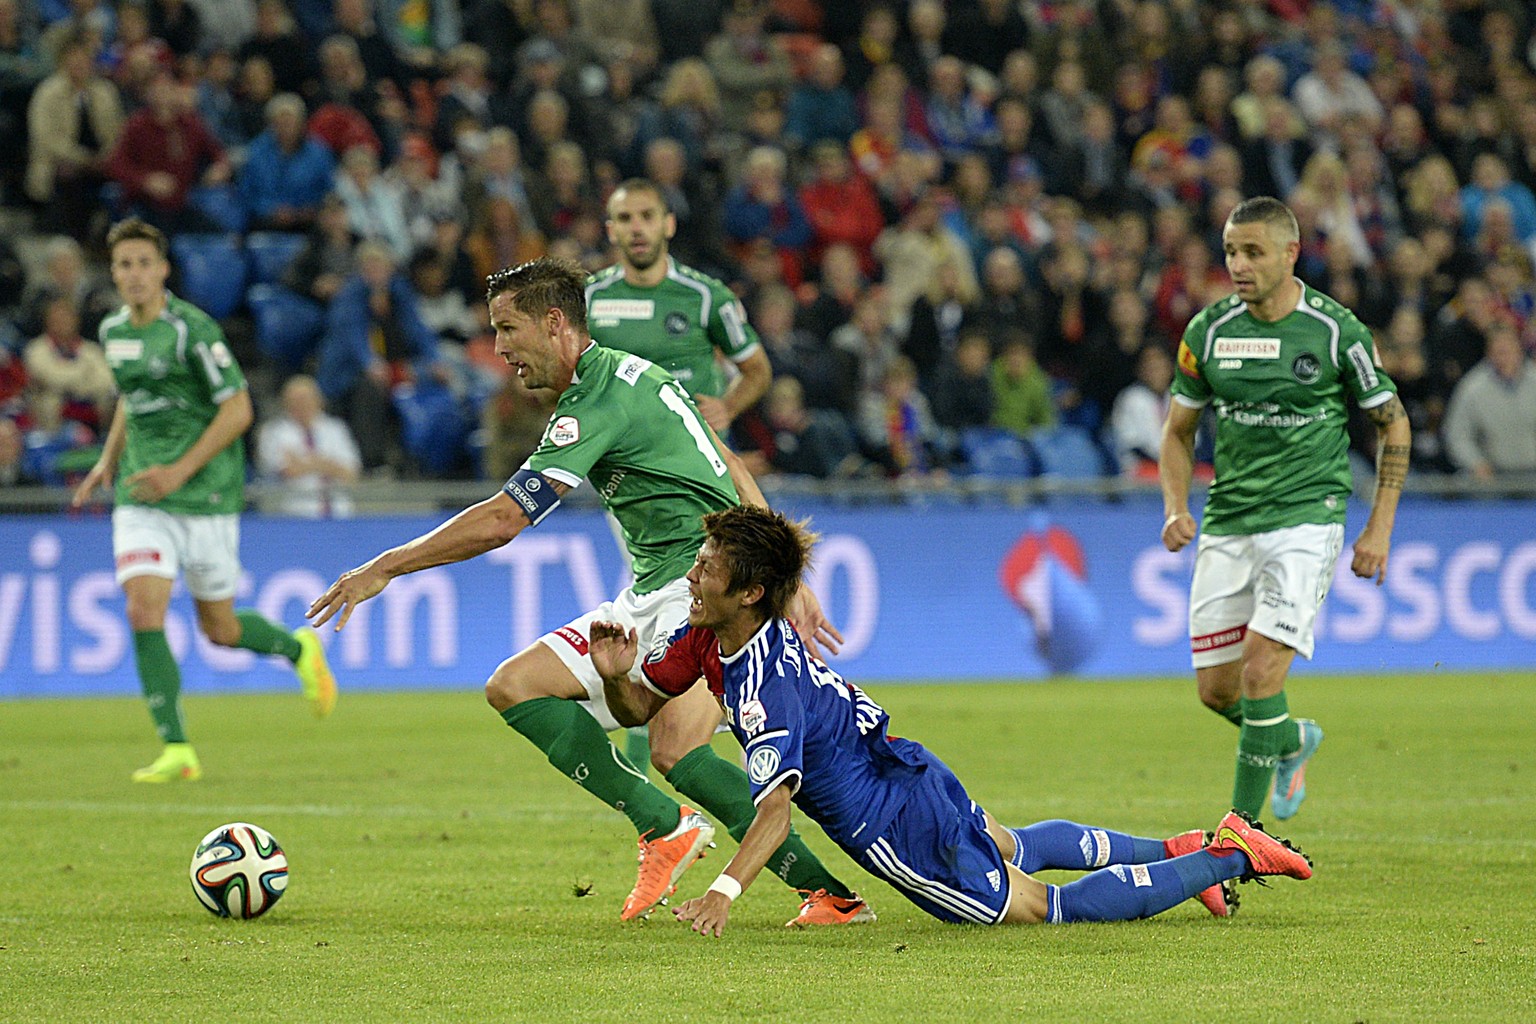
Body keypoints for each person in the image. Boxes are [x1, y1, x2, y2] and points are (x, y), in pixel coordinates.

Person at [307, 257, 870, 927]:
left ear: (555, 323)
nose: (500, 349)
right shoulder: (639, 374)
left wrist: (388, 566)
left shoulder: (595, 403)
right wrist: (781, 563)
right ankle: (665, 827)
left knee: (678, 752)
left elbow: (505, 519)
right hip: (654, 592)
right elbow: (725, 458)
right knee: (514, 686)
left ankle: (830, 895)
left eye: (508, 329)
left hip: (704, 596)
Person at [589, 504, 1314, 937]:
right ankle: (1182, 848)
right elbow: (640, 707)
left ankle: (1230, 854)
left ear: (749, 592)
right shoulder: (705, 638)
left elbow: (775, 814)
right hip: (909, 768)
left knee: (1042, 910)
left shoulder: (764, 684)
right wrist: (619, 679)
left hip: (894, 826)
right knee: (1016, 843)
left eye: (707, 569)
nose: (691, 576)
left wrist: (722, 894)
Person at [1159, 196, 1412, 823]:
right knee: (1215, 691)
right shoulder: (1208, 333)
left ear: (1291, 253)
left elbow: (1393, 422)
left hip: (1308, 515)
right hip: (1229, 518)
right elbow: (1177, 432)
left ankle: (1237, 842)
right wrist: (1173, 507)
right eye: (1230, 252)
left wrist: (1379, 525)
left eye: (1252, 252)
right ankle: (1291, 739)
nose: (1238, 265)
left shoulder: (1335, 331)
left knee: (1262, 668)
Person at [70, 218, 337, 784]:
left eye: (145, 262)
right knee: (144, 609)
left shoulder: (193, 330)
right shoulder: (114, 331)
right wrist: (107, 461)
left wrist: (181, 470)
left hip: (207, 492)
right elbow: (131, 398)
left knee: (219, 627)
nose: (135, 274)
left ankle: (296, 649)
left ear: (163, 269)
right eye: (125, 265)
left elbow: (238, 410)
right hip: (142, 493)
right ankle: (177, 748)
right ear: (113, 273)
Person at [586, 177, 772, 771]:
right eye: (624, 218)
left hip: (703, 477)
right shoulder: (591, 300)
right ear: (610, 230)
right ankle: (706, 712)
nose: (636, 228)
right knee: (669, 597)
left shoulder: (704, 296)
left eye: (646, 216)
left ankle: (713, 714)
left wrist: (730, 406)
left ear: (668, 224)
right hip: (633, 483)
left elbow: (757, 368)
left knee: (704, 593)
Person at [255, 374, 363, 518]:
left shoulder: (336, 429)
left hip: (339, 514)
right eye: (295, 400)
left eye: (306, 399)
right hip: (293, 516)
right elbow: (288, 471)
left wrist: (305, 463)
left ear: (319, 400)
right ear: (285, 402)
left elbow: (351, 473)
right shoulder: (273, 432)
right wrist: (327, 464)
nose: (301, 404)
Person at [1441, 318, 1536, 480]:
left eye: (1508, 349)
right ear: (1489, 352)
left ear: (1518, 349)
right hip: (1492, 481)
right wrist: (1475, 463)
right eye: (1498, 351)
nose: (1504, 356)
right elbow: (1456, 434)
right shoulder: (1472, 388)